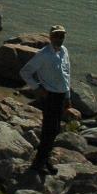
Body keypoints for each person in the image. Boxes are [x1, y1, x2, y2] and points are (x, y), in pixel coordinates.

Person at [21, 24, 77, 179]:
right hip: (50, 97)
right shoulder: (43, 54)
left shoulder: (64, 51)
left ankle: (45, 160)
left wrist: (68, 97)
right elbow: (25, 72)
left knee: (55, 130)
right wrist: (37, 88)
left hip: (61, 97)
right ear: (51, 37)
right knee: (48, 131)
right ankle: (38, 164)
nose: (60, 38)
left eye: (62, 35)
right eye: (57, 35)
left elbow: (67, 74)